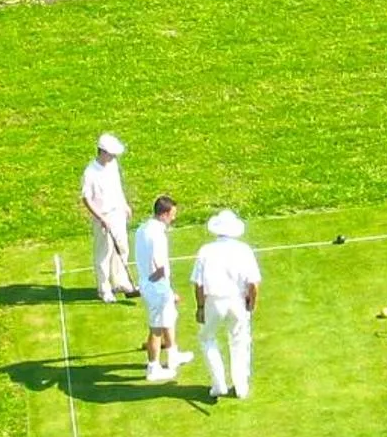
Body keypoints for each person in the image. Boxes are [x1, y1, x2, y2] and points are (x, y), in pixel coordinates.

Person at [191, 209, 261, 400]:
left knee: (207, 338)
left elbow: (198, 284)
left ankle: (219, 383)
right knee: (239, 340)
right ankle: (240, 387)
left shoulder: (206, 250)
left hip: (214, 300)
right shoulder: (244, 250)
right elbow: (253, 283)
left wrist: (200, 307)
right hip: (237, 300)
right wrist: (252, 303)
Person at [134, 195, 192, 383]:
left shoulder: (143, 228)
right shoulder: (158, 235)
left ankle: (173, 355)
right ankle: (153, 367)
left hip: (150, 283)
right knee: (156, 328)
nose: (174, 218)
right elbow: (160, 267)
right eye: (172, 214)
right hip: (156, 287)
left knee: (169, 319)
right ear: (165, 214)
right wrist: (167, 290)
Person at [80, 134, 136, 303]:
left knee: (122, 248)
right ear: (102, 152)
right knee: (104, 254)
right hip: (103, 216)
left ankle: (121, 282)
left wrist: (124, 204)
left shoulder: (113, 165)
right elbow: (86, 198)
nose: (113, 158)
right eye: (111, 154)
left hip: (118, 212)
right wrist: (101, 217)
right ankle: (104, 289)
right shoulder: (90, 172)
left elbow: (117, 187)